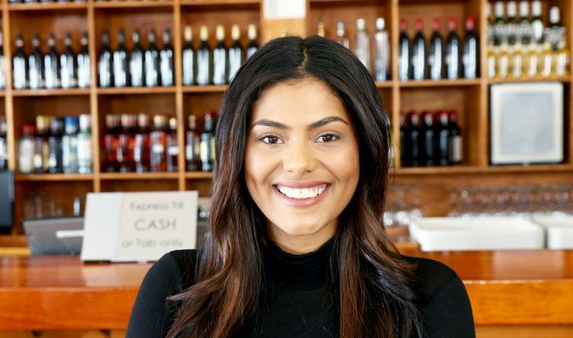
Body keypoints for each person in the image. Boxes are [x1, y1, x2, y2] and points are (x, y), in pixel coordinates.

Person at [126, 35, 475, 338]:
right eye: (270, 137)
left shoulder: (431, 297)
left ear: (365, 150)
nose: (298, 163)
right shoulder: (177, 286)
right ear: (236, 154)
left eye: (327, 136)